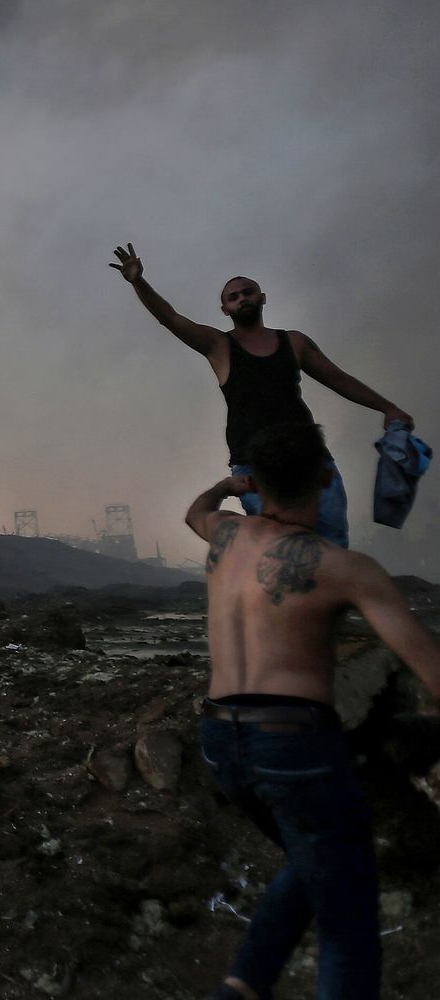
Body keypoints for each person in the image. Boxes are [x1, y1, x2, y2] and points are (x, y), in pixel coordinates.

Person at [185, 421, 440, 1000]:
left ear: (258, 482)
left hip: (220, 739)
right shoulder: (344, 568)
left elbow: (194, 509)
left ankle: (241, 988)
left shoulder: (223, 533)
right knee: (347, 920)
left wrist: (230, 485)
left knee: (311, 862)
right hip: (292, 741)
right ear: (327, 475)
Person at [113, 242, 413, 547]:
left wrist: (387, 408)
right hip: (254, 467)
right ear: (225, 309)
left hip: (311, 461)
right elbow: (171, 318)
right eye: (234, 297)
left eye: (248, 292)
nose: (242, 298)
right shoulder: (219, 346)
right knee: (280, 550)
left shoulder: (294, 343)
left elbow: (337, 379)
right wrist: (139, 281)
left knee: (332, 546)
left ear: (262, 298)